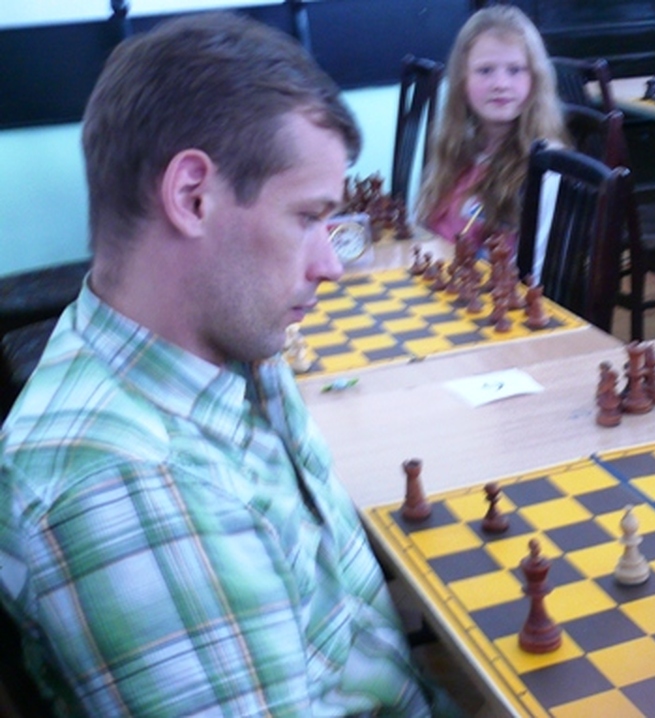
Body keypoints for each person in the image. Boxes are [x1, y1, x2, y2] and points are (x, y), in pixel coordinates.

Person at [0, 14, 434, 716]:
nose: (332, 265)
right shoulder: (127, 486)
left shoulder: (220, 341)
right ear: (192, 197)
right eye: (307, 217)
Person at [417, 6, 569, 252]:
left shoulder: (546, 169)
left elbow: (537, 269)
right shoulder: (460, 147)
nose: (501, 84)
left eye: (515, 70)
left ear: (535, 79)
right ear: (462, 80)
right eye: (485, 70)